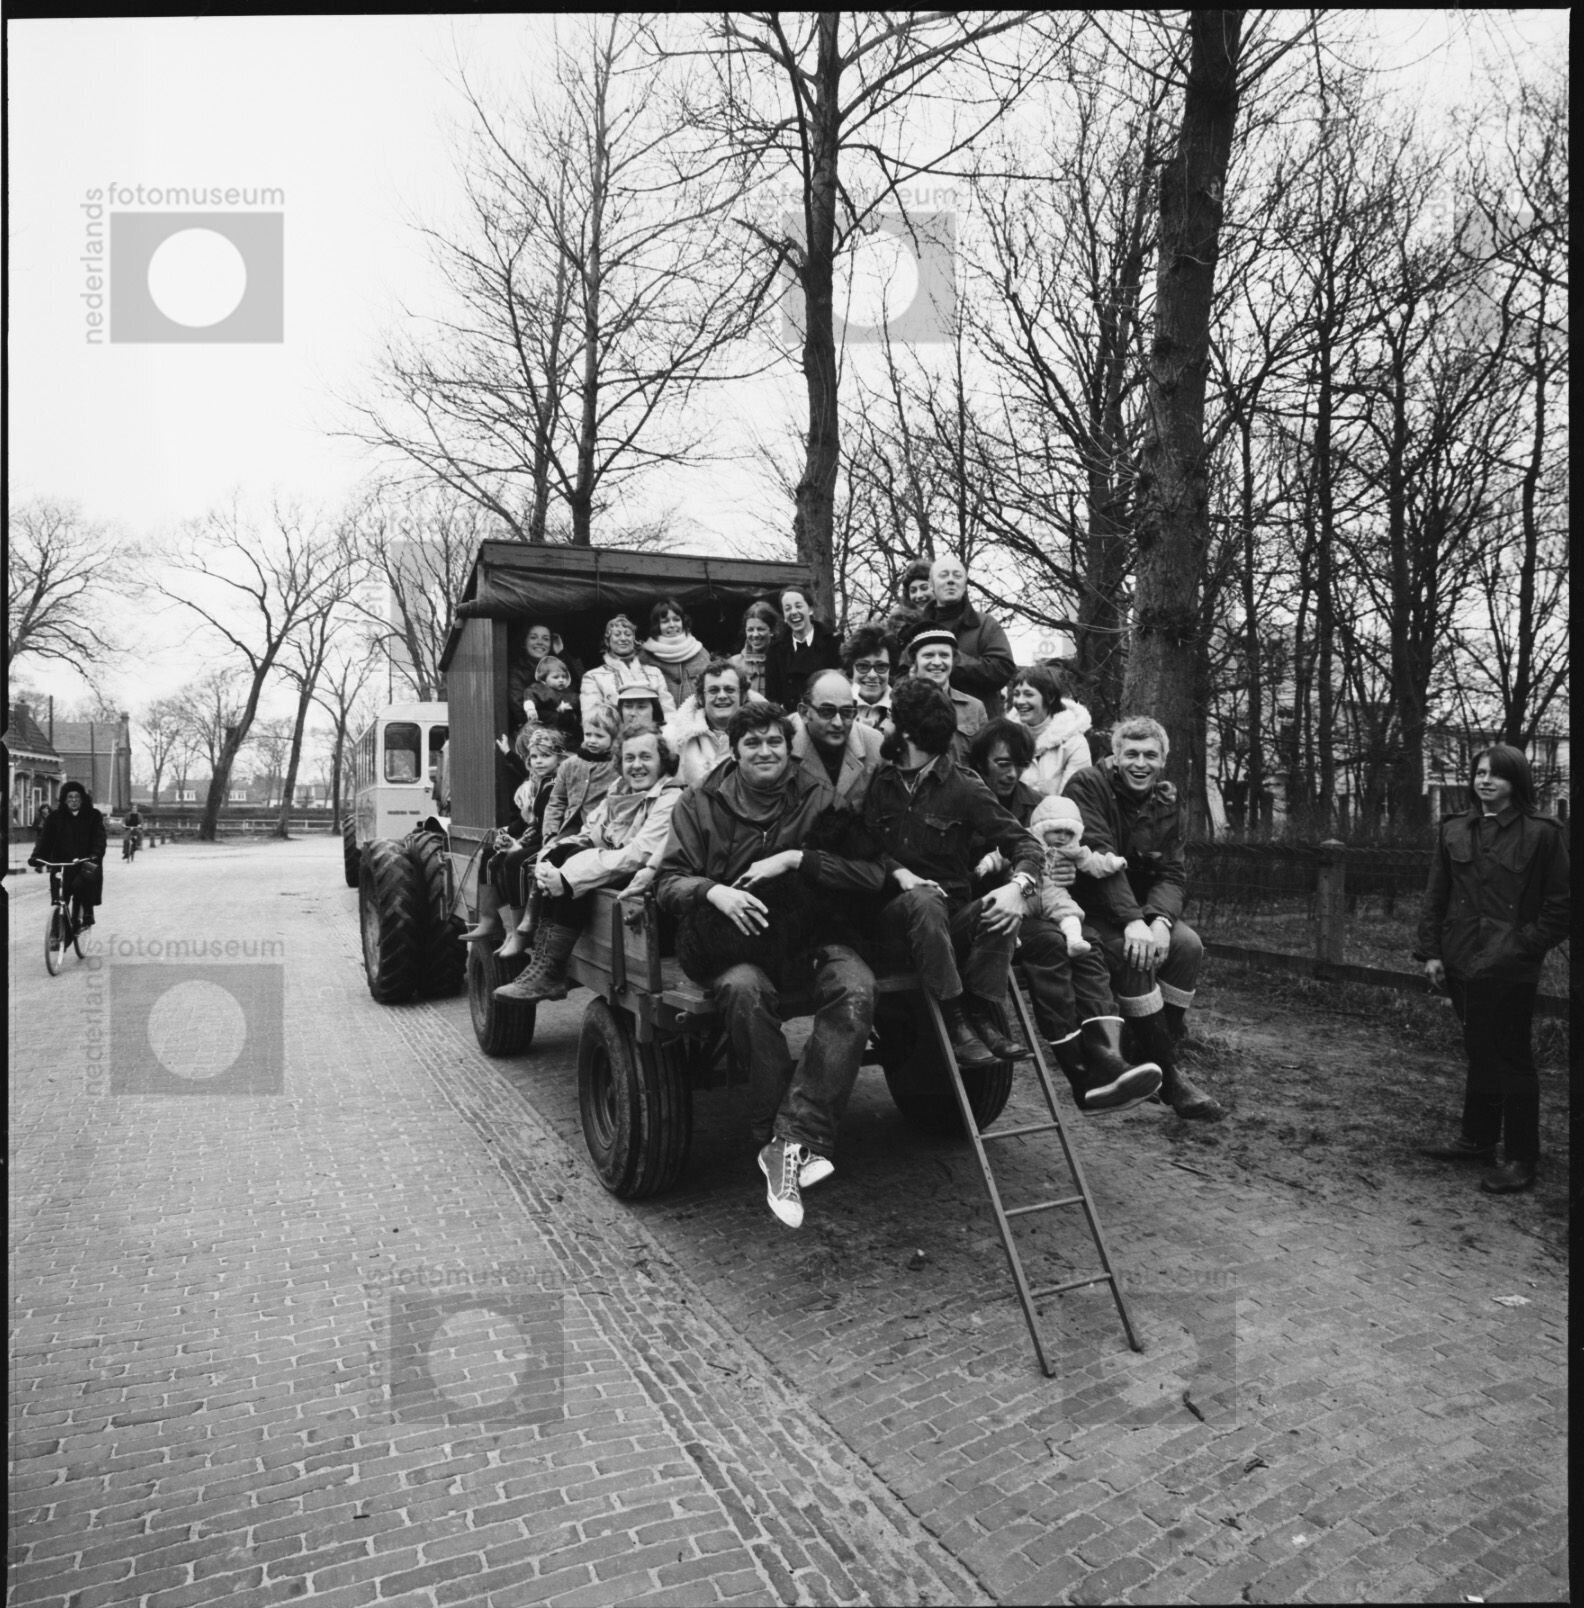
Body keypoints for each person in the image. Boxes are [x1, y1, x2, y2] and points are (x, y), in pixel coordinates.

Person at [656, 701, 885, 1229]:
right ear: (734, 750)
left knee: (856, 986)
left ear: (789, 747)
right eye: (753, 743)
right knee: (744, 992)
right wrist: (713, 892)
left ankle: (792, 1138)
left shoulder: (817, 796)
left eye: (775, 741)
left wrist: (798, 859)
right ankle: (773, 1128)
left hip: (809, 933)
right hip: (731, 943)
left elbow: (869, 872)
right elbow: (668, 882)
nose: (765, 751)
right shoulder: (699, 802)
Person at [967, 721, 1161, 1113]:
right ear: (982, 762)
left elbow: (1072, 850)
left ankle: (1109, 1055)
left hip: (1045, 902)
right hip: (992, 909)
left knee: (1088, 943)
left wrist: (1068, 872)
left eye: (1020, 764)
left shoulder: (1038, 803)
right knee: (1051, 945)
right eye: (1002, 763)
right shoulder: (966, 796)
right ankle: (1079, 1074)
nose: (1011, 773)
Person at [1414, 744, 1570, 1194]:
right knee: (1480, 1050)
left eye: (1496, 774)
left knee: (1512, 1058)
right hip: (1460, 959)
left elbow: (1562, 905)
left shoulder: (1542, 833)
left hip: (1510, 968)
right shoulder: (1454, 829)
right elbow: (1436, 895)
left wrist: (1523, 948)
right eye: (1480, 772)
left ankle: (1522, 1157)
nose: (1485, 781)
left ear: (1515, 782)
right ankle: (1477, 1140)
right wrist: (1432, 953)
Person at [864, 678, 1041, 1070]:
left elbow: (1026, 844)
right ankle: (954, 1019)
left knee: (1000, 906)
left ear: (906, 732)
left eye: (890, 718)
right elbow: (864, 848)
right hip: (891, 926)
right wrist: (899, 872)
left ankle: (981, 1012)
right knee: (923, 899)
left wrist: (1019, 887)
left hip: (949, 923)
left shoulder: (964, 786)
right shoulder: (881, 782)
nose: (883, 726)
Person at [1062, 716, 1223, 1120]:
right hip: (1087, 905)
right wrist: (1133, 921)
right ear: (1115, 757)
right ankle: (1169, 1076)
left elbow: (1172, 872)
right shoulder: (1087, 786)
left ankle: (1148, 1050)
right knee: (1133, 953)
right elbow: (1098, 854)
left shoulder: (1166, 800)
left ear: (1163, 761)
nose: (1140, 763)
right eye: (1131, 754)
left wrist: (1160, 921)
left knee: (1187, 945)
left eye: (1150, 755)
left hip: (1140, 909)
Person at [497, 725, 686, 1004]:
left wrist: (567, 876)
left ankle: (550, 969)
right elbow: (590, 833)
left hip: (651, 895)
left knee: (574, 864)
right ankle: (546, 965)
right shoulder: (619, 791)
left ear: (663, 762)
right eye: (629, 758)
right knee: (564, 853)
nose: (636, 765)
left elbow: (638, 854)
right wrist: (549, 856)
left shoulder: (671, 798)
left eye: (646, 757)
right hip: (621, 876)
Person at [487, 727, 569, 959]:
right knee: (496, 860)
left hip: (556, 841)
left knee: (517, 863)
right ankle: (510, 930)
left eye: (546, 756)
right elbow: (536, 822)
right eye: (534, 756)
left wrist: (520, 846)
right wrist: (517, 839)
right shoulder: (541, 782)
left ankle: (523, 931)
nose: (538, 761)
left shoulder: (557, 782)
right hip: (541, 837)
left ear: (559, 757)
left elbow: (550, 825)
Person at [917, 554, 1015, 718]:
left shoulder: (986, 625)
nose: (950, 580)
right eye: (943, 575)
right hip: (926, 722)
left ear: (964, 584)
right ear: (931, 584)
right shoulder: (916, 629)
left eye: (957, 576)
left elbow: (1002, 670)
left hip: (977, 725)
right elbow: (901, 676)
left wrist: (953, 661)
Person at [791, 669, 885, 811]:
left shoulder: (875, 745)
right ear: (804, 712)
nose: (838, 723)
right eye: (827, 711)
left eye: (846, 712)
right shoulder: (781, 742)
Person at [28, 779, 107, 928]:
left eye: (77, 797)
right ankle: (57, 928)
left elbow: (100, 838)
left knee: (80, 886)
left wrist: (95, 853)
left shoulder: (93, 816)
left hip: (86, 861)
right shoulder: (54, 817)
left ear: (82, 799)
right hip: (61, 862)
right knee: (58, 893)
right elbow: (45, 840)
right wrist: (37, 856)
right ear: (64, 800)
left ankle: (85, 913)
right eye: (70, 797)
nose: (73, 800)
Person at [1008, 664, 1094, 798]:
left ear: (1050, 697)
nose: (1020, 701)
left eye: (1028, 694)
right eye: (1016, 694)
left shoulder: (1075, 743)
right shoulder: (1005, 737)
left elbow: (1074, 798)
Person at [665, 658, 750, 788]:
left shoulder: (759, 734)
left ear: (742, 697)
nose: (722, 696)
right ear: (701, 698)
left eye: (729, 690)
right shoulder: (675, 737)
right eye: (713, 690)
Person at [580, 613, 675, 729]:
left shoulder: (654, 673)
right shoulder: (593, 676)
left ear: (634, 640)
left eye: (628, 634)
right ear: (607, 641)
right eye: (617, 634)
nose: (623, 638)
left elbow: (669, 712)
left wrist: (667, 735)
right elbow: (591, 720)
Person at [904, 626, 985, 760]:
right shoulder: (900, 706)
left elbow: (983, 760)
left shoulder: (974, 708)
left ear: (953, 660)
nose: (937, 662)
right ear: (915, 661)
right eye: (928, 655)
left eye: (944, 655)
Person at [763, 586, 842, 710]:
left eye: (798, 606)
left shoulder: (832, 642)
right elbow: (772, 697)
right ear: (784, 616)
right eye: (788, 609)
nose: (793, 612)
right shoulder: (775, 650)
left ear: (810, 609)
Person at [639, 597, 713, 710]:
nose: (672, 625)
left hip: (696, 715)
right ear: (657, 625)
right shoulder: (646, 656)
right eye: (665, 621)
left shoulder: (701, 653)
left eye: (677, 619)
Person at [841, 619, 897, 731]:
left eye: (881, 666)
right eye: (863, 666)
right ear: (851, 668)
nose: (872, 675)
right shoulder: (836, 705)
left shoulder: (902, 708)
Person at [728, 600, 781, 700]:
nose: (755, 635)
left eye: (760, 629)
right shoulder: (734, 664)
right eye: (750, 630)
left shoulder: (783, 661)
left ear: (772, 630)